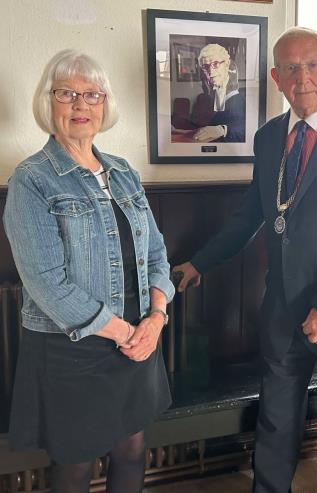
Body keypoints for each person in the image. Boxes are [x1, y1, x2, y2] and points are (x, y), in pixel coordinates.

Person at [173, 27, 317, 492]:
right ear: (275, 78)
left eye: (313, 64)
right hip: (284, 304)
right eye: (291, 68)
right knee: (275, 420)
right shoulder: (269, 137)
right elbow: (248, 216)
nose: (304, 77)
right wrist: (200, 262)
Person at [3, 49, 174, 493]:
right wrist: (124, 333)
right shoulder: (32, 179)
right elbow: (45, 282)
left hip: (139, 337)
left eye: (92, 94)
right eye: (68, 93)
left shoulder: (123, 173)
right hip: (73, 347)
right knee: (76, 467)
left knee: (133, 450)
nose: (81, 104)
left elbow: (157, 252)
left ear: (105, 104)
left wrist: (155, 319)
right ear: (49, 102)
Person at [193, 43, 245, 143]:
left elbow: (245, 127)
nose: (211, 73)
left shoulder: (238, 100)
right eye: (205, 67)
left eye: (216, 64)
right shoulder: (214, 96)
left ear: (227, 65)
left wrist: (223, 130)